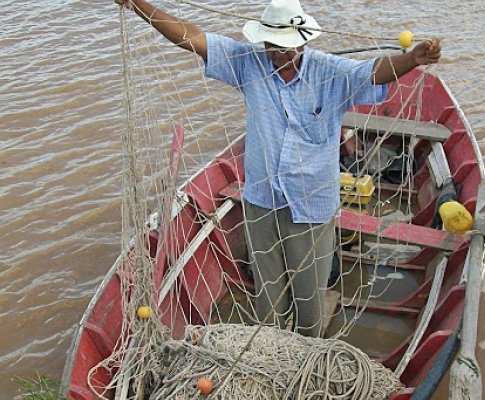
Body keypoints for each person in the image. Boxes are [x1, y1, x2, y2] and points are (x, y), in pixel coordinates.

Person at [115, 0, 441, 337]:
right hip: (261, 202)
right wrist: (139, 4)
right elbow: (192, 37)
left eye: (286, 47)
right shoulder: (248, 64)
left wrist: (411, 59)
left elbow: (373, 71)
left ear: (303, 41)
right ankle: (271, 346)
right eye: (272, 45)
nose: (278, 53)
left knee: (308, 296)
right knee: (268, 294)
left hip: (311, 206)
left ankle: (308, 348)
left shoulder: (330, 72)